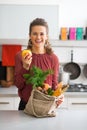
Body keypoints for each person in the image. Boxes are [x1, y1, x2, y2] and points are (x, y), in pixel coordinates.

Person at [14, 18, 64, 110]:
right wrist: (25, 67)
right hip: (26, 106)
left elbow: (54, 86)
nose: (38, 37)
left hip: (46, 106)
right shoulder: (20, 56)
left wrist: (57, 98)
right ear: (30, 36)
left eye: (41, 34)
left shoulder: (53, 58)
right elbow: (18, 84)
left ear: (46, 36)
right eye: (34, 34)